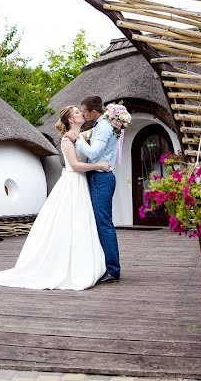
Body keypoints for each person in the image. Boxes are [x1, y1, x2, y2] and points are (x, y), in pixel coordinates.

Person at [0, 105, 110, 290]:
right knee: (69, 222)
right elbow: (74, 165)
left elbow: (102, 127)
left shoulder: (82, 136)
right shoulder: (67, 140)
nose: (81, 113)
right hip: (72, 182)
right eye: (76, 112)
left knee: (82, 222)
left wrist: (115, 118)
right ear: (69, 120)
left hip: (81, 184)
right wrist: (99, 166)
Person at [65, 96, 120, 283]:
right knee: (95, 223)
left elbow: (94, 153)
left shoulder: (103, 127)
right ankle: (102, 265)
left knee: (103, 223)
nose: (82, 113)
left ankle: (113, 270)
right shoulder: (99, 126)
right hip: (95, 177)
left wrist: (77, 140)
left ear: (93, 112)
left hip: (101, 178)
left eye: (84, 111)